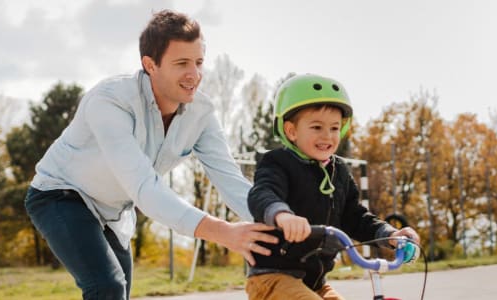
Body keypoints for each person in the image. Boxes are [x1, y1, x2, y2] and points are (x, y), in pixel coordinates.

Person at [24, 10, 277, 299]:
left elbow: (231, 182)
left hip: (114, 210)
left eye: (198, 62)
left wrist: (279, 218)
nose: (194, 75)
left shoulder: (201, 114)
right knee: (107, 287)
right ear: (150, 65)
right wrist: (224, 232)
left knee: (120, 292)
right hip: (60, 195)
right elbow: (143, 186)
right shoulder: (110, 101)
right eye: (182, 63)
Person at [245, 74, 421, 300]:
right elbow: (263, 193)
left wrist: (390, 234)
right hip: (273, 277)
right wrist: (282, 214)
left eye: (335, 128)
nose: (327, 136)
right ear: (291, 131)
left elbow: (355, 217)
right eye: (317, 127)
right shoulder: (277, 163)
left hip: (316, 283)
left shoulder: (339, 172)